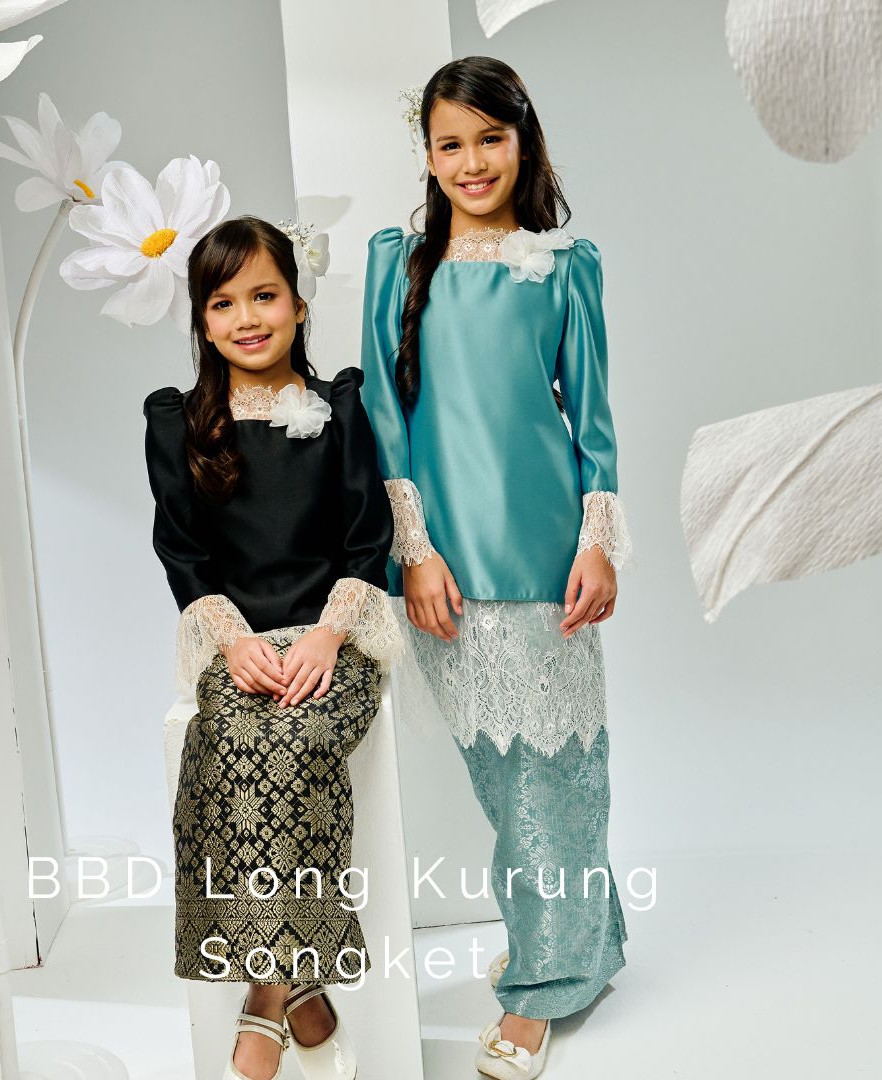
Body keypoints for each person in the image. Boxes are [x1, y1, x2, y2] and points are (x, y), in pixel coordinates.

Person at [360, 56, 634, 1079]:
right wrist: (414, 551)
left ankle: (545, 985)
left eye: (490, 138)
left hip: (548, 557)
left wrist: (599, 540)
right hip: (444, 566)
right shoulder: (399, 264)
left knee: (558, 776)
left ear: (524, 141)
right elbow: (385, 413)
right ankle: (582, 943)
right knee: (507, 779)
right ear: (427, 155)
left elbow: (591, 417)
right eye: (450, 143)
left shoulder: (567, 265)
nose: (472, 162)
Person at [143, 216, 403, 1080]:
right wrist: (233, 643)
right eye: (223, 303)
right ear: (202, 320)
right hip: (239, 643)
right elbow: (183, 553)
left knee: (295, 740)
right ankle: (305, 991)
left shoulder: (341, 409)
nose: (247, 318)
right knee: (228, 740)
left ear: (298, 302)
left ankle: (264, 995)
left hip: (337, 636)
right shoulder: (179, 423)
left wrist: (329, 635)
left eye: (265, 295)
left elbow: (367, 543)